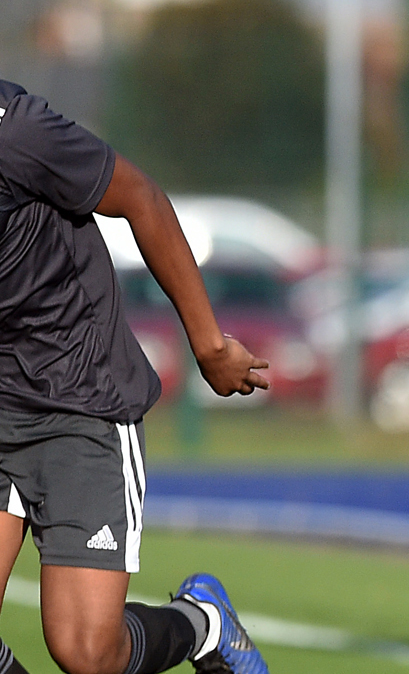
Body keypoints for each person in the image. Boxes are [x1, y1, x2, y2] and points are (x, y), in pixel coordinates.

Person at [0, 82, 270, 674]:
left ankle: (205, 624)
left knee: (87, 653)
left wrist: (209, 345)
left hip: (78, 396)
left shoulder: (16, 132)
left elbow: (140, 197)